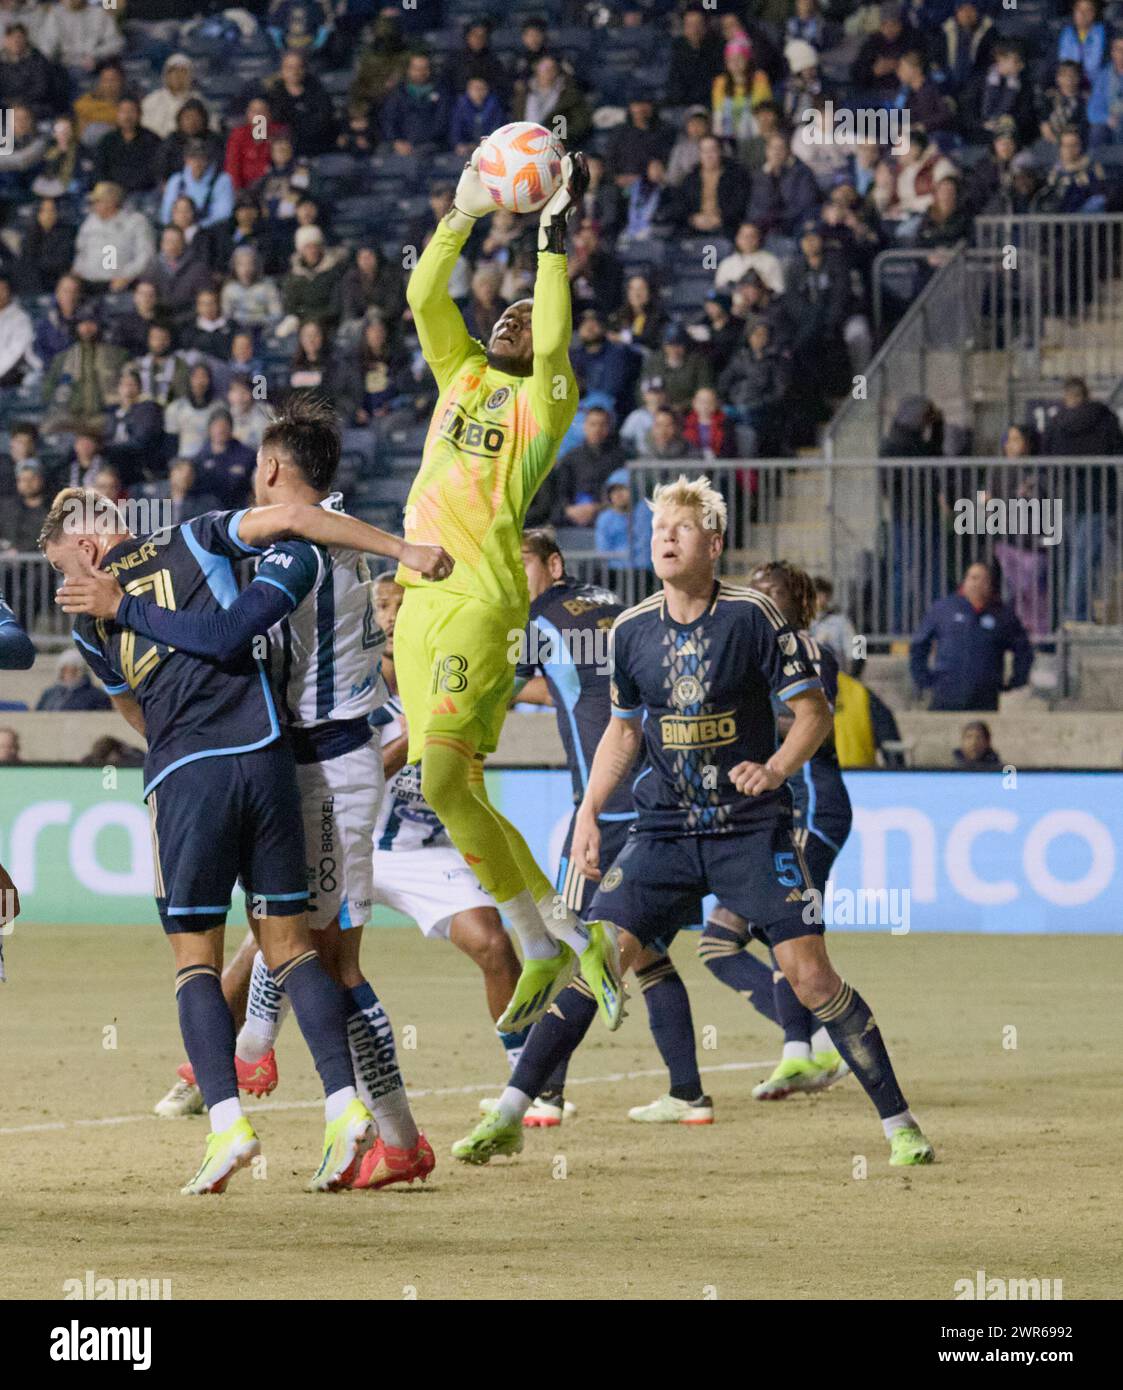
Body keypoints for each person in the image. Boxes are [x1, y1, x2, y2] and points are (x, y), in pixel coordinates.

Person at [453, 474, 934, 1168]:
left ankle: (899, 1124)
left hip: (749, 830)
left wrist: (772, 770)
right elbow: (621, 733)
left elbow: (812, 714)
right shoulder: (630, 629)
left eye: (679, 529)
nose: (665, 540)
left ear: (713, 542)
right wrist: (588, 813)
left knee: (810, 977)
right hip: (663, 832)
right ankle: (509, 1114)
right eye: (657, 531)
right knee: (599, 961)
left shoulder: (752, 618)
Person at [48, 430, 450, 1194]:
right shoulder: (199, 534)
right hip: (269, 755)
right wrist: (405, 547)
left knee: (196, 960)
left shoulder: (93, 618)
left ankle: (228, 1124)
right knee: (293, 948)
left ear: (91, 545)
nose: (69, 585)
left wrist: (126, 623)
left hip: (198, 774)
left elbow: (137, 713)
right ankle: (345, 1110)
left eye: (66, 569)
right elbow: (295, 523)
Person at [392, 144, 624, 1037]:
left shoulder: (541, 408)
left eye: (527, 318)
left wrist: (551, 237)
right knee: (448, 789)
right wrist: (461, 212)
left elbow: (558, 333)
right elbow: (421, 297)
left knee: (447, 773)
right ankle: (549, 940)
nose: (515, 321)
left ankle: (560, 935)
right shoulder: (461, 375)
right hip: (416, 606)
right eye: (510, 312)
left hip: (479, 599)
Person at [910, 561, 1033, 711]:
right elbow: (919, 644)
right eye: (973, 578)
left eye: (983, 580)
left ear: (991, 585)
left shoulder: (1003, 615)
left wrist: (1016, 681)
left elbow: (1023, 649)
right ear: (965, 580)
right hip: (946, 696)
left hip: (985, 698)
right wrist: (923, 679)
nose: (977, 584)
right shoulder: (944, 609)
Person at [35, 647, 111, 711]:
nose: (67, 674)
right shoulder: (49, 694)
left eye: (72, 670)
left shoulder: (97, 697)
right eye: (64, 670)